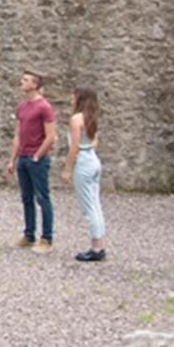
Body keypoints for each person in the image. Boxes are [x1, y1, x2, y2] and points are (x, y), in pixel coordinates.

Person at [5, 69, 55, 253]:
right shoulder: (22, 107)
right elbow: (18, 134)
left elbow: (51, 136)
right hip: (23, 158)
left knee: (43, 198)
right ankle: (29, 234)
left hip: (37, 159)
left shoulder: (44, 107)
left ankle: (47, 238)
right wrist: (12, 159)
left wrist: (37, 155)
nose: (22, 82)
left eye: (26, 80)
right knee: (26, 198)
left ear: (35, 84)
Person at [62, 87, 109, 262]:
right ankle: (100, 243)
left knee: (89, 206)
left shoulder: (76, 119)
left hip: (83, 160)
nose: (71, 98)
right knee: (95, 204)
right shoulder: (92, 118)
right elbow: (95, 141)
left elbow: (74, 147)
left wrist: (67, 168)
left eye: (73, 96)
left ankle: (96, 248)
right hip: (93, 159)